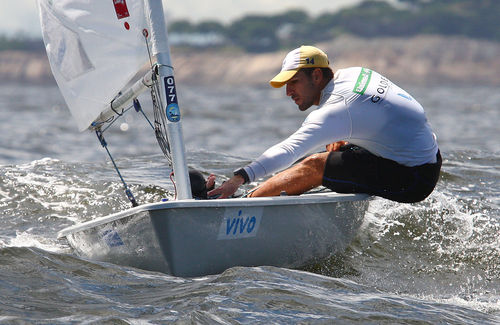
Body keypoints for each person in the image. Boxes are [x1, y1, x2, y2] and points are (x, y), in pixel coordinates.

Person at [207, 45, 441, 203]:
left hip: (413, 179)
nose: (288, 92)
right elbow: (378, 114)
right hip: (428, 155)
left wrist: (238, 178)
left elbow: (289, 149)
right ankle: (268, 192)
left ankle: (243, 204)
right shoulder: (354, 73)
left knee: (315, 165)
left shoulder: (336, 110)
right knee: (330, 149)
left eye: (294, 82)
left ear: (317, 76)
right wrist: (345, 136)